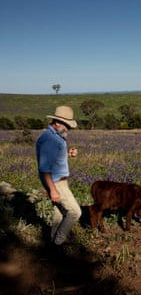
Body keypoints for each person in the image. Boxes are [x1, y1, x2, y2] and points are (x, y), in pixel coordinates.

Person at [36, 105, 81, 246]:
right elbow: (45, 168)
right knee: (75, 212)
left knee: (60, 213)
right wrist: (53, 189)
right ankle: (59, 241)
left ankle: (52, 242)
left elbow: (53, 158)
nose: (68, 129)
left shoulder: (56, 136)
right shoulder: (50, 139)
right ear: (57, 123)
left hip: (57, 180)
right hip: (56, 183)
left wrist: (67, 154)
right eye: (67, 126)